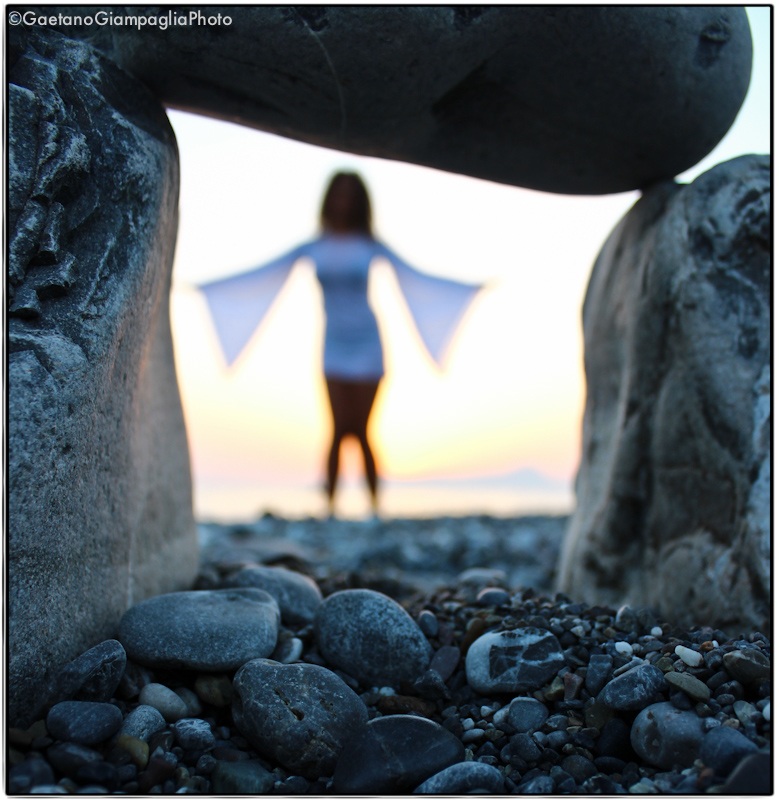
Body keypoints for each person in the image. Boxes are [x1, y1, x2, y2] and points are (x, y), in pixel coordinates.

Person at [199, 171, 481, 517]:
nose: (343, 200)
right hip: (333, 344)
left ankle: (375, 508)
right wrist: (206, 289)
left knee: (361, 430)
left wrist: (469, 289)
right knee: (337, 428)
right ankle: (330, 507)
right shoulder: (314, 247)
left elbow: (416, 276)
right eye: (338, 193)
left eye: (349, 194)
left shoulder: (369, 245)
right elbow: (263, 273)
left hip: (367, 341)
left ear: (359, 201)